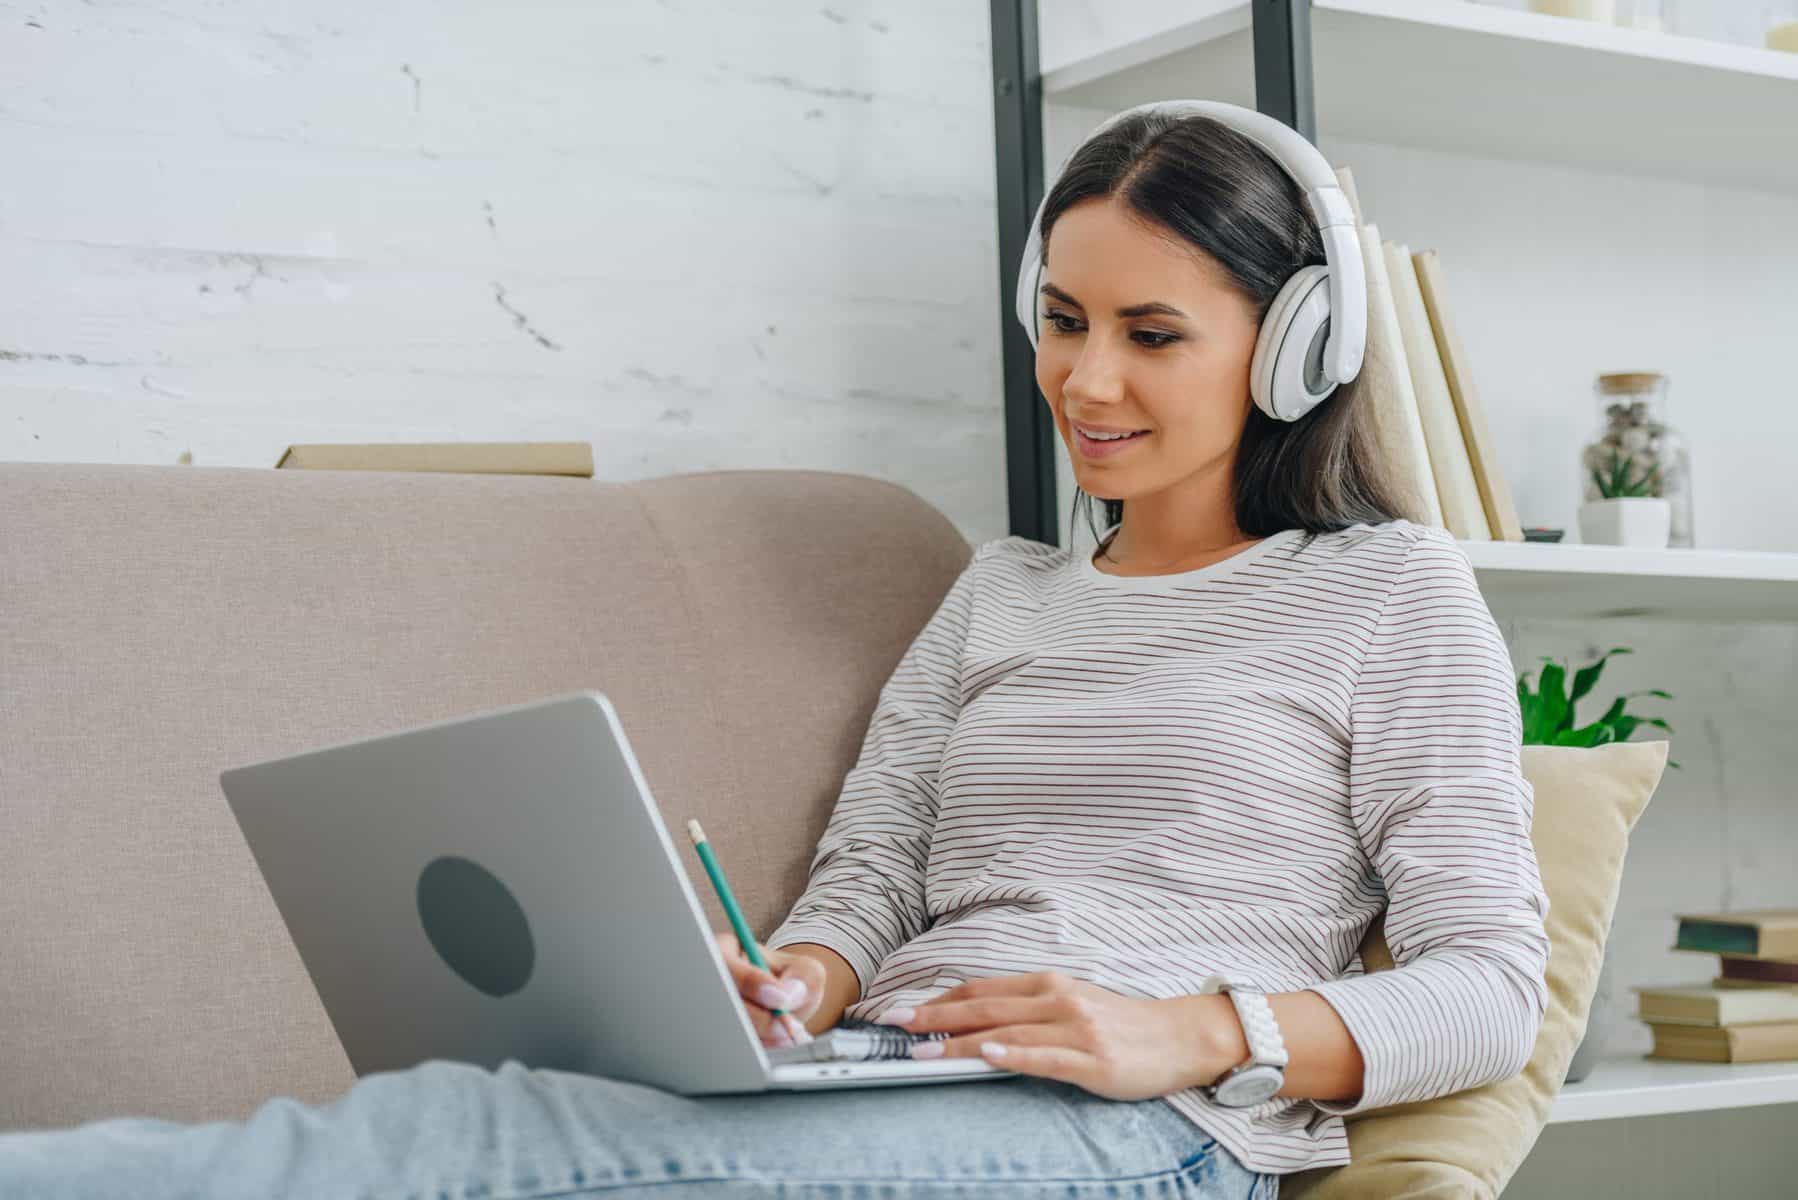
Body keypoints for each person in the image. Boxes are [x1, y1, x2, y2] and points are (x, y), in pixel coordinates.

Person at [0, 102, 1548, 1199]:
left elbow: (1488, 980)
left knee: (481, 1155)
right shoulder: (998, 592)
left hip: (1144, 1134)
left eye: (1150, 334)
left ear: (1294, 352)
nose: (1082, 379)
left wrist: (1196, 1032)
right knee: (487, 1112)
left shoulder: (1387, 595)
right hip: (892, 1074)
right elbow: (873, 869)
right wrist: (799, 982)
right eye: (1062, 319)